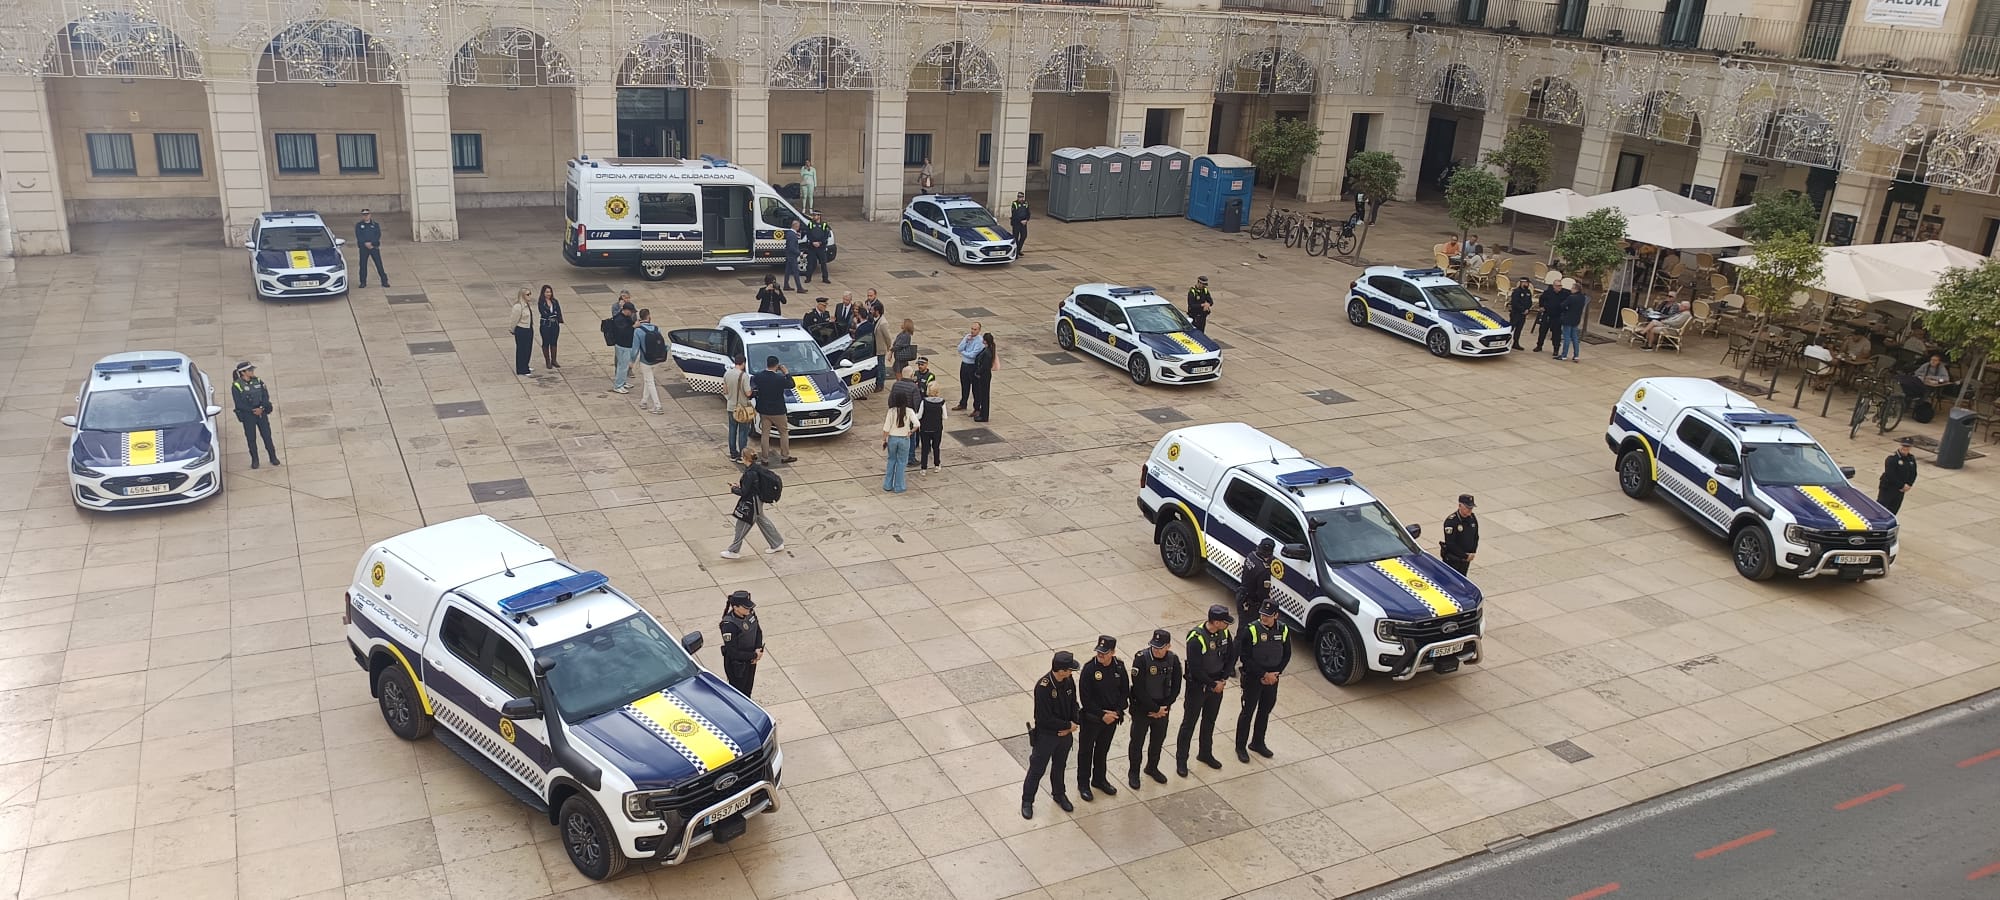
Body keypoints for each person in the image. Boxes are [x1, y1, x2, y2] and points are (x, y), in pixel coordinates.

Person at [1175, 604, 1235, 776]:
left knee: (1209, 721)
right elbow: (1196, 669)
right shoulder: (1196, 638)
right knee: (1189, 724)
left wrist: (1222, 679)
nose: (1227, 625)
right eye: (1224, 622)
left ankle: (1205, 753)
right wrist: (1212, 684)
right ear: (1215, 622)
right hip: (1199, 687)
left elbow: (1231, 656)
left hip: (1217, 685)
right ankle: (1181, 760)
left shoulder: (1224, 633)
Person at [1021, 651, 1080, 820]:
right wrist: (1067, 725)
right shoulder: (1043, 687)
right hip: (1047, 736)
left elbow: (1073, 704)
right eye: (1069, 670)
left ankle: (1059, 794)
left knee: (1060, 765)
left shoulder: (1069, 682)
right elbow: (1044, 718)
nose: (1071, 673)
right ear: (1061, 670)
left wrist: (1073, 723)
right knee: (1037, 769)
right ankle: (1027, 801)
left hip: (1065, 735)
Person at [1234, 600, 1291, 762]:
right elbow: (1245, 657)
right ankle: (1240, 746)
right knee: (1247, 712)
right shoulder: (1251, 630)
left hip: (1273, 679)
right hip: (1254, 679)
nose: (1263, 618)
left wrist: (1275, 673)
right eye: (1262, 615)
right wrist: (1263, 674)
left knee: (1265, 710)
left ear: (1276, 615)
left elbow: (1287, 654)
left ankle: (1258, 742)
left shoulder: (1284, 629)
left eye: (1267, 615)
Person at [1075, 635, 1129, 802]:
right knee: (1086, 751)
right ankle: (1083, 783)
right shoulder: (1090, 669)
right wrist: (1102, 715)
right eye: (1099, 651)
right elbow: (1085, 699)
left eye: (1104, 652)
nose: (1101, 654)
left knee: (1102, 750)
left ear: (1112, 652)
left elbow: (1124, 691)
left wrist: (1117, 712)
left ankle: (1099, 779)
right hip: (1092, 719)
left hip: (1112, 718)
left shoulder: (1119, 667)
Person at [1126, 628, 1181, 789]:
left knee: (1158, 740)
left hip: (1163, 709)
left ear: (1168, 646)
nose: (1156, 650)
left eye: (1160, 647)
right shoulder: (1141, 659)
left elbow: (1176, 686)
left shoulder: (1173, 660)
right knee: (1137, 742)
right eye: (1154, 646)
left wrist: (1164, 707)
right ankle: (1133, 772)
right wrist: (1154, 708)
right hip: (1143, 709)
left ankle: (1152, 767)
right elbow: (1139, 688)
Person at [721, 449, 785, 559]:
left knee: (742, 525)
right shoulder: (756, 468)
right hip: (757, 500)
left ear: (745, 458)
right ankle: (777, 543)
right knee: (762, 520)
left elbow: (744, 492)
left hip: (751, 502)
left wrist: (734, 489)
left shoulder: (750, 473)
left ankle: (734, 550)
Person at [231, 362, 281, 470]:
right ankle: (255, 460)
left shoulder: (258, 381)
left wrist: (262, 408)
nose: (252, 372)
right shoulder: (237, 385)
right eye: (249, 370)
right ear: (243, 373)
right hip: (248, 415)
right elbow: (239, 403)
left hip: (261, 413)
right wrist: (252, 410)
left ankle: (273, 457)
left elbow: (265, 396)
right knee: (251, 438)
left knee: (267, 436)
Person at [749, 355, 796, 464]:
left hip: (764, 410)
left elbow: (754, 385)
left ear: (767, 364)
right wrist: (786, 373)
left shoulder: (759, 376)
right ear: (777, 365)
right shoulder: (779, 378)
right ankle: (785, 456)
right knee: (783, 433)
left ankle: (765, 458)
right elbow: (791, 384)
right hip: (778, 411)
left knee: (765, 434)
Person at [718, 591, 764, 696]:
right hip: (737, 666)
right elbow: (733, 652)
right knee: (739, 694)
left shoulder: (750, 613)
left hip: (751, 661)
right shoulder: (729, 625)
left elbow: (757, 631)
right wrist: (754, 655)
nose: (748, 609)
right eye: (745, 607)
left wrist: (758, 648)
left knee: (748, 691)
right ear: (736, 607)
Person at [882, 391, 916, 493]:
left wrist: (884, 439)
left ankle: (887, 485)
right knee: (902, 462)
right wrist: (910, 432)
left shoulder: (891, 411)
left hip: (892, 438)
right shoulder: (909, 411)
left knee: (891, 460)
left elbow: (886, 429)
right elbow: (917, 424)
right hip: (904, 439)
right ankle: (899, 486)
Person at [633, 309, 665, 414]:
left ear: (640, 318)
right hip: (658, 359)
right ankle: (644, 401)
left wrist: (631, 361)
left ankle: (657, 406)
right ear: (648, 316)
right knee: (648, 380)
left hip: (646, 361)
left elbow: (635, 349)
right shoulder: (656, 328)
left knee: (650, 382)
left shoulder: (638, 331)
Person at [723, 355, 754, 462]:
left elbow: (725, 391)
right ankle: (742, 455)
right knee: (743, 432)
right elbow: (748, 392)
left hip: (731, 407)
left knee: (732, 430)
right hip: (742, 408)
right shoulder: (744, 376)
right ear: (743, 363)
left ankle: (733, 453)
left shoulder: (727, 373)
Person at [1237, 538, 1274, 621]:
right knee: (1248, 628)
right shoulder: (1264, 571)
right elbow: (1263, 593)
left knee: (1242, 624)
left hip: (1241, 595)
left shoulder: (1251, 556)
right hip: (1251, 604)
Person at [1441, 494, 1479, 575]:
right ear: (1460, 505)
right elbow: (1450, 544)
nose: (1470, 510)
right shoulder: (1451, 521)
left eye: (1471, 508)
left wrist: (1472, 552)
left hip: (1466, 559)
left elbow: (1475, 536)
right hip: (1454, 559)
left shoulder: (1472, 518)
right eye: (1467, 508)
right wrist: (1464, 556)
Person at [1877, 441, 1918, 514]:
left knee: (1893, 510)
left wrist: (1909, 484)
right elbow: (1890, 475)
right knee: (1881, 509)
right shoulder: (1892, 459)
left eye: (1907, 447)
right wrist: (1902, 485)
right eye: (1904, 446)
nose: (1905, 448)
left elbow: (1913, 473)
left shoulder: (1911, 459)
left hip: (1900, 491)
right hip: (1888, 488)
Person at [1553, 279, 1586, 363]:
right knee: (1575, 337)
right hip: (1576, 319)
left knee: (1567, 337)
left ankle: (1564, 355)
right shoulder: (1582, 297)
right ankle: (1576, 355)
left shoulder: (1571, 297)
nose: (1571, 289)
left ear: (1575, 289)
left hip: (1568, 319)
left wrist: (1566, 308)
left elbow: (1562, 305)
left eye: (1572, 288)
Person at [354, 209, 388, 288]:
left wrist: (372, 243)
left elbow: (378, 235)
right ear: (362, 216)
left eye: (367, 214)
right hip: (363, 248)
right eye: (364, 215)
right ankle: (363, 282)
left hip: (374, 247)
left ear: (370, 215)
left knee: (379, 265)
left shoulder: (375, 225)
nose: (366, 216)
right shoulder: (359, 225)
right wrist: (365, 243)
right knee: (363, 266)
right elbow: (359, 236)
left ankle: (384, 281)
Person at [609, 302, 638, 393]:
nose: (632, 313)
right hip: (622, 345)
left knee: (623, 365)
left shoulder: (626, 318)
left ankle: (623, 382)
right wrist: (634, 326)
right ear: (625, 310)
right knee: (622, 366)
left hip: (627, 345)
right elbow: (623, 332)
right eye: (631, 311)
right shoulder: (618, 319)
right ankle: (618, 385)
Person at [954, 323, 984, 410]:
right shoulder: (968, 337)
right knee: (964, 385)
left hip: (973, 366)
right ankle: (963, 403)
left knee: (976, 388)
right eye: (972, 329)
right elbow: (959, 348)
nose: (972, 331)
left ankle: (977, 408)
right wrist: (966, 341)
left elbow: (972, 355)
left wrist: (963, 353)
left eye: (975, 329)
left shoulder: (980, 341)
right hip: (964, 364)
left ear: (979, 330)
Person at [1533, 278, 1567, 354]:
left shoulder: (1564, 293)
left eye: (1560, 286)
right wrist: (1541, 306)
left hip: (1557, 316)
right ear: (1554, 286)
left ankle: (1556, 349)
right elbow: (1541, 299)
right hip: (1547, 315)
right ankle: (1539, 346)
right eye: (1558, 286)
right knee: (1542, 331)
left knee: (1556, 334)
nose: (1559, 287)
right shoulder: (1548, 292)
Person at [917, 383, 946, 472]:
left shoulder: (924, 402)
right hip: (937, 428)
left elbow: (919, 416)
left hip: (925, 428)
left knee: (925, 448)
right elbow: (945, 416)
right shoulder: (942, 402)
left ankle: (924, 468)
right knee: (936, 447)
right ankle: (937, 465)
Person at [536, 284, 564, 370]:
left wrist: (559, 319)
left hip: (554, 324)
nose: (549, 294)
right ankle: (547, 361)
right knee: (546, 342)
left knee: (554, 342)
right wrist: (552, 315)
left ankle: (554, 360)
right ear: (543, 293)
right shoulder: (541, 302)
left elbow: (558, 311)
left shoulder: (555, 301)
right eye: (547, 292)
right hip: (545, 325)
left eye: (550, 292)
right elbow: (544, 313)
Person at [509, 288, 535, 377]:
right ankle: (521, 369)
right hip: (521, 329)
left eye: (530, 294)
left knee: (528, 348)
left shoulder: (527, 305)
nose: (529, 296)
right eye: (527, 294)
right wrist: (512, 329)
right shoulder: (518, 306)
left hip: (529, 329)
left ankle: (525, 365)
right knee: (521, 350)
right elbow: (514, 319)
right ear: (522, 295)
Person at [971, 333, 996, 422]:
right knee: (983, 395)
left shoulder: (987, 352)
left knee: (984, 396)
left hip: (984, 376)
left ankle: (984, 416)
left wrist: (978, 372)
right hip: (984, 375)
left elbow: (985, 366)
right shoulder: (987, 350)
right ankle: (982, 414)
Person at [803, 212, 833, 284]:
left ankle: (825, 278)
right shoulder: (810, 224)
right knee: (810, 263)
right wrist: (813, 242)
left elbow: (826, 235)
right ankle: (808, 278)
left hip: (821, 247)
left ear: (819, 216)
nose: (814, 216)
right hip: (812, 247)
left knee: (823, 263)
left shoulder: (824, 224)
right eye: (813, 215)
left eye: (815, 215)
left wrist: (820, 243)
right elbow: (808, 234)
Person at [1507, 278, 1535, 351]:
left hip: (1523, 314)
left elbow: (1530, 302)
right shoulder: (1516, 291)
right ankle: (1507, 342)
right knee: (1511, 328)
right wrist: (1522, 309)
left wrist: (1527, 309)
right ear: (1521, 283)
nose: (1527, 284)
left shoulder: (1528, 292)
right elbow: (1515, 303)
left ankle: (1516, 343)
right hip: (1516, 313)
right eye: (1525, 283)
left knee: (1519, 329)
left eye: (1527, 283)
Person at [891, 319, 918, 385]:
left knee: (899, 372)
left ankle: (900, 384)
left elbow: (899, 345)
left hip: (901, 358)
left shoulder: (906, 335)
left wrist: (891, 349)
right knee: (897, 370)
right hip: (899, 357)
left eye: (903, 323)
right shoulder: (902, 333)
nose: (901, 324)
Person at [782, 221, 806, 293]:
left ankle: (786, 285)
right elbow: (792, 247)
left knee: (788, 271)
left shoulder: (789, 233)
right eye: (798, 226)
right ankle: (799, 288)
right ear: (795, 226)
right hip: (792, 256)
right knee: (796, 272)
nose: (798, 228)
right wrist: (799, 253)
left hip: (789, 255)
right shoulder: (792, 235)